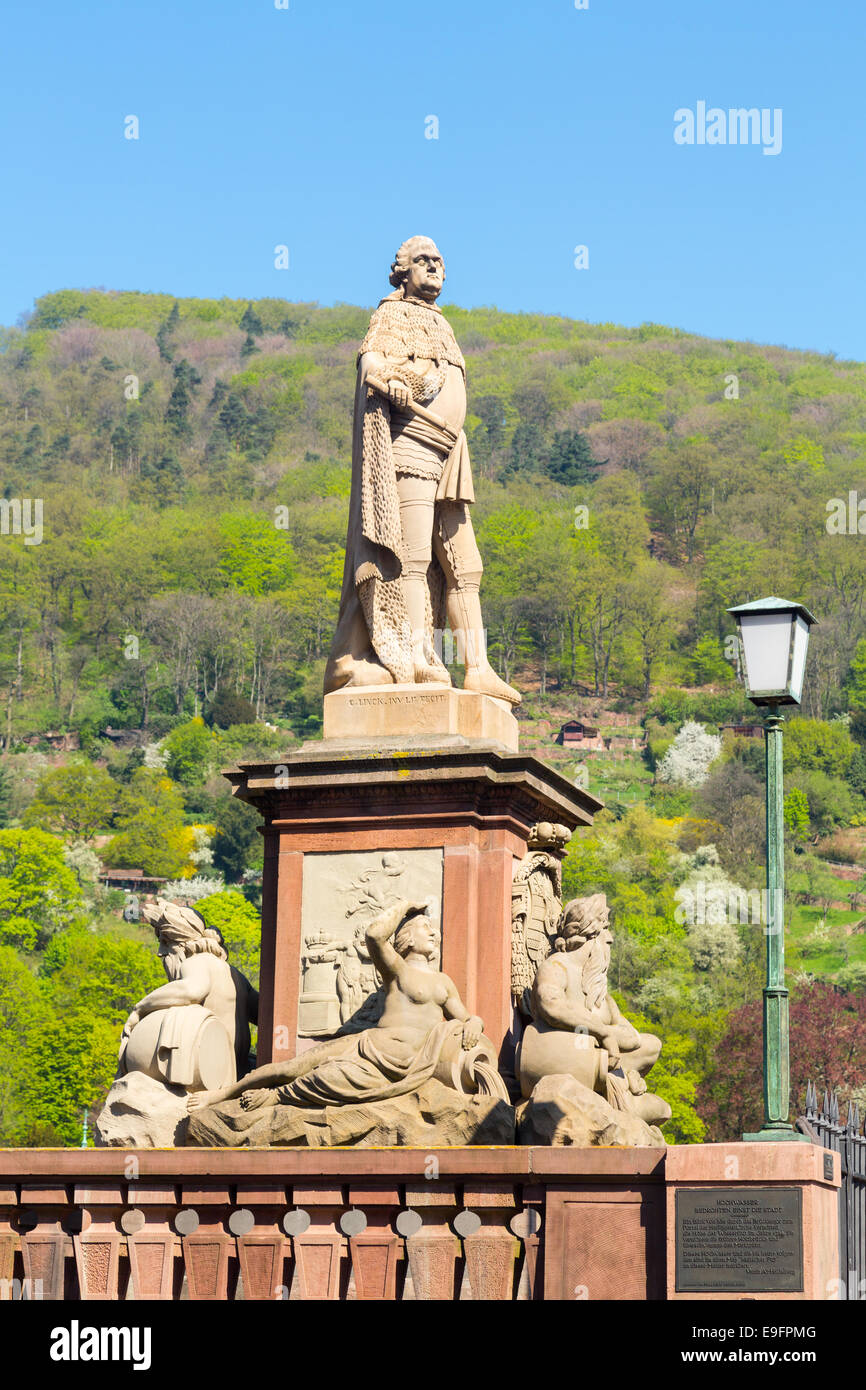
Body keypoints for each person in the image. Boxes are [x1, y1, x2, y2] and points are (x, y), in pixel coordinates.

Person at [324, 235, 520, 704]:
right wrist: (391, 381)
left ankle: (477, 667)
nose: (433, 267)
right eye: (422, 261)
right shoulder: (391, 315)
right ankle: (414, 656)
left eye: (438, 261)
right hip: (411, 444)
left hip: (451, 450)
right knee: (412, 558)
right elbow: (372, 362)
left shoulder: (443, 324)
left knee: (465, 567)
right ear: (403, 271)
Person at [187, 898, 508, 1113]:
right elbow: (374, 935)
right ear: (408, 937)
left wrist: (475, 1023)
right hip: (371, 1044)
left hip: (408, 1059)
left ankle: (275, 1098)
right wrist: (405, 907)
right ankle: (222, 1094)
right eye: (427, 929)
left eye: (434, 931)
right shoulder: (397, 969)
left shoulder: (443, 982)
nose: (435, 935)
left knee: (326, 1078)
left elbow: (466, 1017)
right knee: (293, 1065)